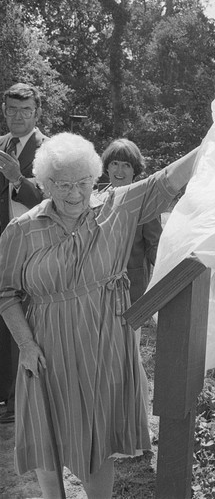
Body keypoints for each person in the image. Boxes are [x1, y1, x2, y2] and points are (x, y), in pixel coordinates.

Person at [0, 132, 198, 498]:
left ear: (96, 178)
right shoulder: (21, 230)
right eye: (62, 185)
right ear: (44, 184)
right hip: (46, 347)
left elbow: (165, 180)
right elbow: (6, 293)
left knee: (97, 437)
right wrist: (25, 345)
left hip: (103, 340)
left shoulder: (118, 208)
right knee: (47, 434)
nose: (74, 194)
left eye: (83, 183)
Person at [99, 138, 163, 420]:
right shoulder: (96, 195)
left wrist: (166, 270)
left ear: (135, 169)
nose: (120, 170)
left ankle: (139, 420)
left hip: (131, 293)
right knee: (104, 357)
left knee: (128, 355)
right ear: (106, 167)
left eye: (126, 164)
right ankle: (111, 418)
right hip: (97, 291)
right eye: (114, 163)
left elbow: (153, 246)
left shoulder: (144, 199)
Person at [0, 82, 47, 424]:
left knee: (23, 321)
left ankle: (22, 402)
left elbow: (51, 200)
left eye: (25, 110)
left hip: (31, 251)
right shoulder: (0, 145)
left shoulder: (50, 150)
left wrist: (19, 179)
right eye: (12, 109)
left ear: (37, 113)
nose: (18, 116)